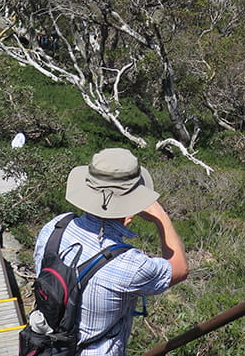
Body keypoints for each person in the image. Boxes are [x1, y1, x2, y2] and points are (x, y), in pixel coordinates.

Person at [33, 148, 188, 356]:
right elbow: (180, 268)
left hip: (46, 347)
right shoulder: (129, 265)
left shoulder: (55, 227)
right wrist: (162, 217)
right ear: (132, 205)